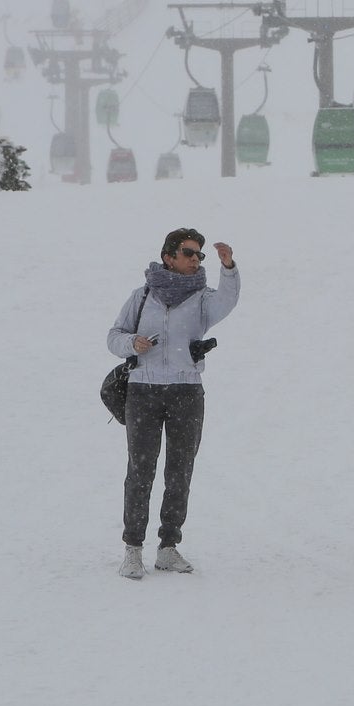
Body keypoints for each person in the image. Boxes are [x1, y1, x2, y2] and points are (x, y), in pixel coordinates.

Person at [107, 228, 240, 580]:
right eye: (188, 253)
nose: (196, 259)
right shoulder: (143, 295)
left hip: (186, 392)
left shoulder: (202, 298)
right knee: (140, 470)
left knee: (179, 471)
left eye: (200, 255)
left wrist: (229, 268)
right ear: (169, 256)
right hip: (143, 392)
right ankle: (132, 549)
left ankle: (168, 547)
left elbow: (228, 300)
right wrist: (131, 344)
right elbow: (114, 336)